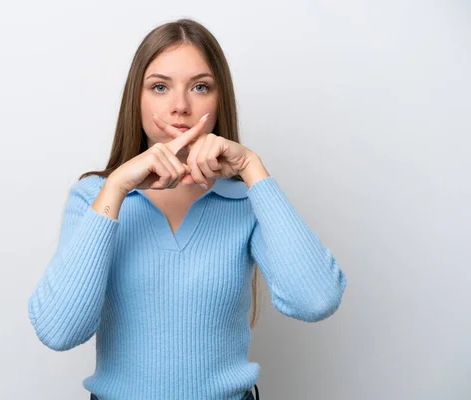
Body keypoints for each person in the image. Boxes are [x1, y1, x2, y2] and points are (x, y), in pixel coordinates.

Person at [28, 18, 347, 400]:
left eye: (199, 87)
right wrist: (115, 188)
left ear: (218, 99)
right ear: (137, 100)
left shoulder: (247, 200)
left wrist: (252, 170)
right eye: (160, 87)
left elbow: (316, 300)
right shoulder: (95, 197)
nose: (180, 106)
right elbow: (59, 331)